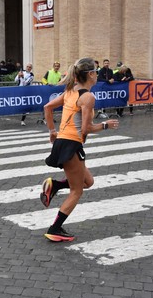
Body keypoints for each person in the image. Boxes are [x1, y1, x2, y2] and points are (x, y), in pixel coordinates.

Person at [40, 57, 119, 242]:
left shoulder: (70, 91)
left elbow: (47, 107)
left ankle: (55, 185)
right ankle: (55, 228)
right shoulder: (88, 97)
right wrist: (105, 125)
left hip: (63, 141)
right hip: (72, 144)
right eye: (96, 72)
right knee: (77, 191)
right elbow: (86, 129)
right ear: (90, 74)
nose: (97, 75)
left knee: (88, 181)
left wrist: (53, 131)